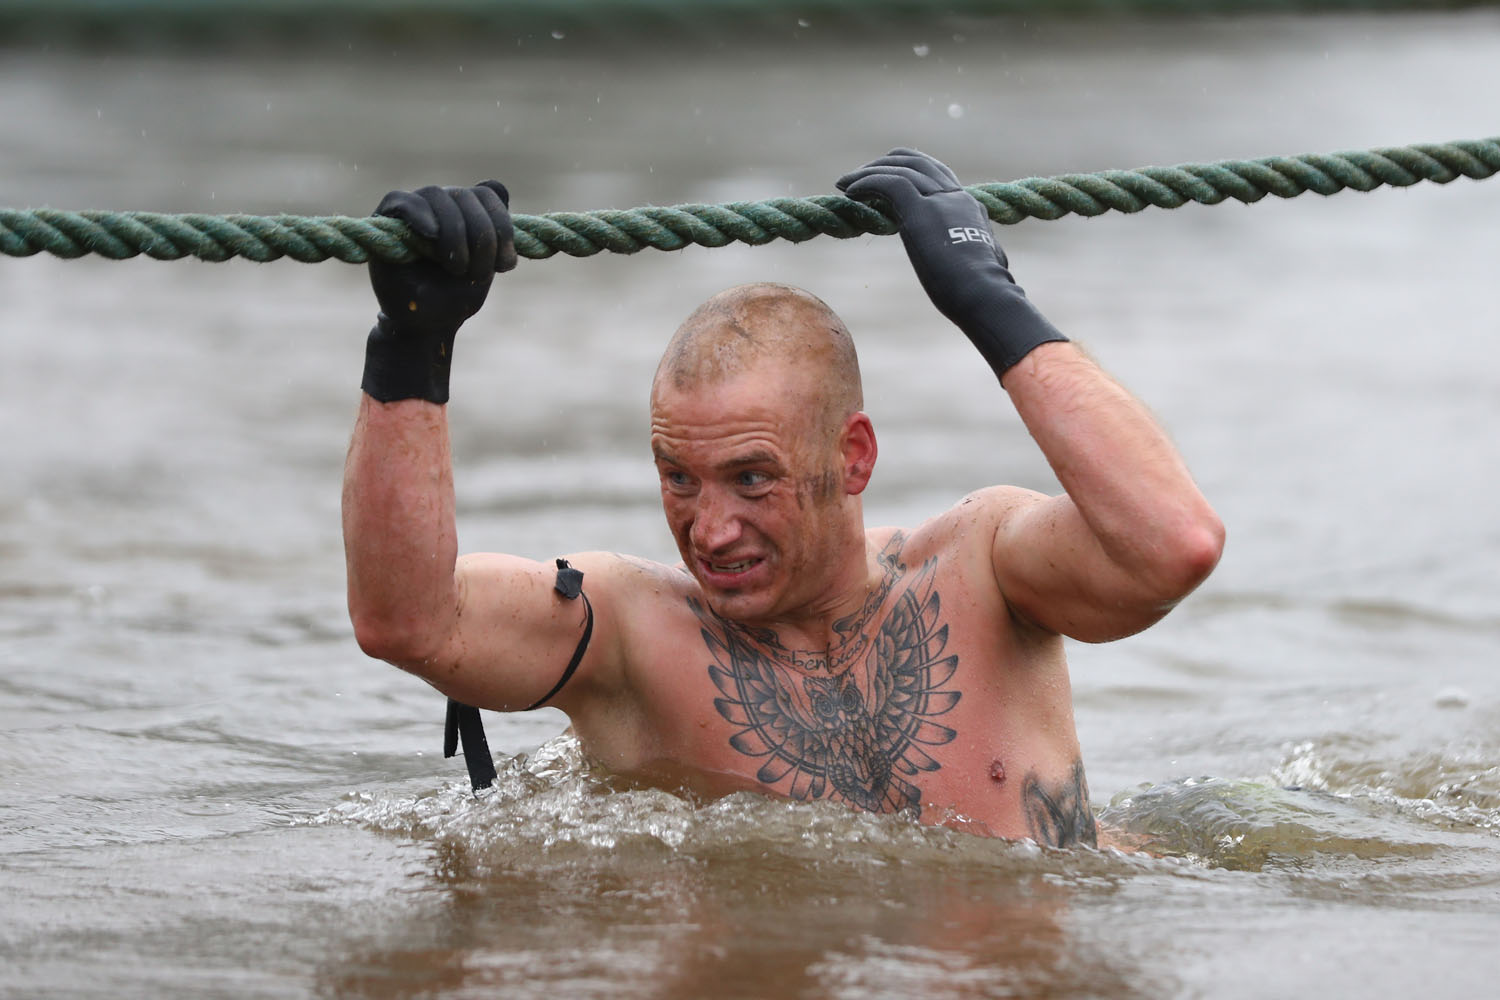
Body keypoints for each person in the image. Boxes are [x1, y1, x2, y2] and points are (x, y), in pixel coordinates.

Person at [341, 149, 1224, 846]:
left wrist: (987, 298)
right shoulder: (628, 632)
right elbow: (410, 621)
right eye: (678, 479)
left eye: (752, 479)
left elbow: (1172, 542)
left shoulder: (984, 565)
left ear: (854, 457)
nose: (711, 530)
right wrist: (410, 348)